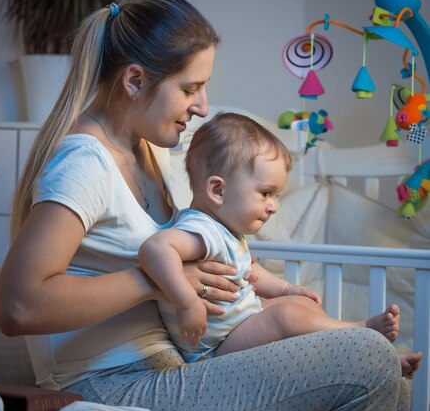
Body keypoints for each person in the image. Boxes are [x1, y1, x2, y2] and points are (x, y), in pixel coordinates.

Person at [0, 0, 411, 411]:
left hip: (176, 366)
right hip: (113, 389)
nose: (203, 106)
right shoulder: (85, 163)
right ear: (135, 80)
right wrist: (156, 282)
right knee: (366, 357)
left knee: (391, 379)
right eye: (191, 87)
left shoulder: (146, 153)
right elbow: (17, 305)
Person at [139, 112, 421, 377]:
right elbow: (155, 250)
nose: (273, 206)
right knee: (286, 315)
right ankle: (359, 333)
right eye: (265, 193)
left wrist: (287, 289)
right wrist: (187, 302)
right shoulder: (201, 230)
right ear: (218, 190)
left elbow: (249, 274)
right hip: (211, 350)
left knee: (297, 304)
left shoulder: (225, 232)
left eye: (276, 195)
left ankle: (367, 355)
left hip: (235, 331)